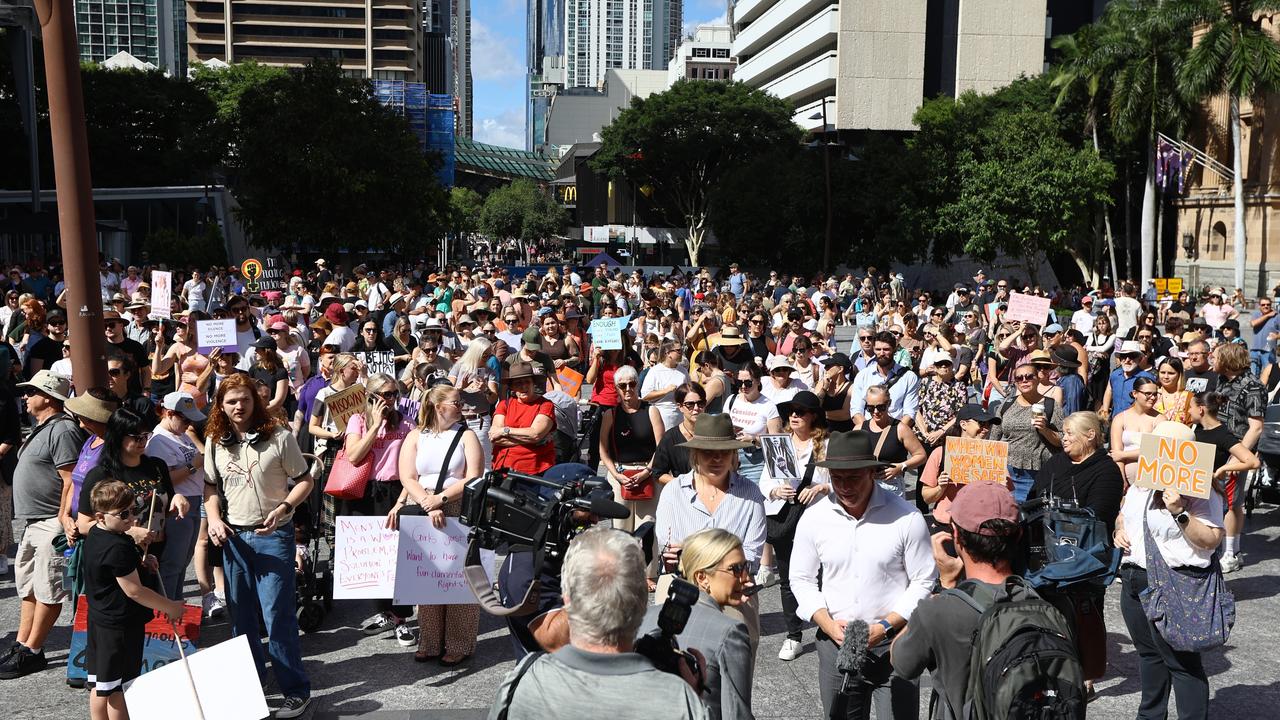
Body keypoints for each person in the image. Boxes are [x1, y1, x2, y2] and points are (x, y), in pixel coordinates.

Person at [489, 527, 708, 720]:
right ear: (643, 602)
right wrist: (693, 700)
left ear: (566, 600)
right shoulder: (677, 698)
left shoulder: (522, 683)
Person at [791, 430, 937, 720]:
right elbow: (801, 579)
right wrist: (827, 623)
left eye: (853, 477)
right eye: (837, 478)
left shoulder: (907, 517)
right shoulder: (814, 518)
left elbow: (924, 580)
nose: (844, 487)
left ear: (872, 472)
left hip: (895, 645)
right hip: (836, 643)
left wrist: (885, 625)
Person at [203, 373, 314, 718]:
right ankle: (253, 685)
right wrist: (215, 519)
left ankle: (295, 690)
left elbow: (305, 479)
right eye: (231, 401)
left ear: (256, 400)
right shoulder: (215, 441)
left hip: (273, 536)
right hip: (234, 537)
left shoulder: (279, 437)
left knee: (276, 614)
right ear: (221, 405)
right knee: (241, 619)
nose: (239, 406)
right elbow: (209, 487)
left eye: (245, 399)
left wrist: (284, 508)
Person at [1113, 422, 1226, 720]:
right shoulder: (1141, 483)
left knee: (1182, 663)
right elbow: (1124, 515)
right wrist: (1119, 529)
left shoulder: (1201, 491)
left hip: (1175, 582)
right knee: (1149, 655)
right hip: (1135, 580)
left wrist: (1180, 512)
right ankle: (1150, 716)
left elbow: (1211, 540)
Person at [890, 483, 1027, 719]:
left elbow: (901, 662)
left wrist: (946, 585)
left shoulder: (938, 610)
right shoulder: (1049, 603)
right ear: (1019, 535)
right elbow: (1094, 668)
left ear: (956, 536)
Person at [656, 414, 767, 648]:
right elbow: (669, 549)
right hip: (681, 585)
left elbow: (752, 556)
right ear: (695, 454)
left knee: (737, 661)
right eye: (708, 452)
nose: (717, 459)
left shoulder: (751, 494)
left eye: (724, 452)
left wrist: (693, 551)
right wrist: (725, 560)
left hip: (735, 590)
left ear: (734, 454)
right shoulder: (673, 492)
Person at [2, 370, 86, 680]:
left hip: (52, 521)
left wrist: (64, 518)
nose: (25, 397)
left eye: (31, 392)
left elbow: (72, 479)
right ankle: (23, 644)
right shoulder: (44, 428)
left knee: (48, 588)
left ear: (48, 397)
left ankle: (34, 651)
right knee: (28, 586)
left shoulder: (62, 429)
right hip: (35, 522)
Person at [81, 480, 185, 720]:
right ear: (99, 516)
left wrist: (141, 563)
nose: (131, 518)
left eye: (134, 509)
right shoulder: (116, 547)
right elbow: (134, 591)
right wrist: (169, 606)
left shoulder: (98, 535)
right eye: (123, 514)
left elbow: (113, 572)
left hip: (101, 622)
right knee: (120, 691)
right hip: (120, 628)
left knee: (101, 685)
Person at [398, 383, 485, 665]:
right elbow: (408, 475)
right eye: (456, 403)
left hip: (458, 506)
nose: (461, 407)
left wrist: (441, 499)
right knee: (428, 575)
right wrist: (427, 501)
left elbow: (474, 475)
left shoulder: (467, 435)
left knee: (458, 576)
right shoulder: (416, 436)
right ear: (438, 407)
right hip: (425, 505)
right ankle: (430, 640)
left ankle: (459, 642)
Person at [637, 528, 754, 720]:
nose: (745, 578)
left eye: (746, 566)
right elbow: (737, 714)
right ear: (702, 577)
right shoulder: (731, 632)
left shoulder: (645, 617)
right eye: (736, 569)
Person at [343, 373, 416, 644]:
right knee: (374, 558)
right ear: (370, 396)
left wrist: (404, 500)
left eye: (394, 394)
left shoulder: (407, 423)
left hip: (395, 490)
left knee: (398, 559)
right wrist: (375, 426)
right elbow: (353, 455)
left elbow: (414, 466)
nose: (390, 399)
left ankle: (401, 618)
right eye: (384, 394)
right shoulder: (358, 420)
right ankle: (383, 611)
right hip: (365, 492)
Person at [761, 391, 830, 662]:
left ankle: (827, 627)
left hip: (817, 519)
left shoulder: (826, 444)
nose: (794, 415)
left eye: (801, 411)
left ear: (813, 415)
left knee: (822, 576)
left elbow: (839, 481)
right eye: (791, 411)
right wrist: (776, 491)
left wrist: (822, 488)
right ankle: (794, 635)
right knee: (788, 580)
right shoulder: (780, 443)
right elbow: (764, 481)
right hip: (785, 518)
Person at [145, 393, 208, 601]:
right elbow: (163, 480)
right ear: (169, 413)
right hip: (177, 503)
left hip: (193, 499)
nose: (188, 424)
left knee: (182, 561)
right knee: (173, 562)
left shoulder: (180, 434)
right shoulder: (158, 440)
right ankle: (167, 612)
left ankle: (176, 606)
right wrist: (193, 466)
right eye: (185, 419)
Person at [1211, 342, 1265, 573]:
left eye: (1215, 357)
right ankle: (1225, 547)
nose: (1211, 360)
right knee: (1218, 498)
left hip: (1237, 450)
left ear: (1227, 359)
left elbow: (1256, 427)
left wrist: (1239, 457)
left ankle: (1231, 553)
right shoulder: (1223, 380)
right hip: (1217, 446)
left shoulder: (1253, 386)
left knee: (1232, 502)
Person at [597, 365, 664, 539]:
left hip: (647, 474)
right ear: (616, 388)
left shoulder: (651, 411)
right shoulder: (610, 415)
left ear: (638, 384)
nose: (628, 389)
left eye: (632, 384)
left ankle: (647, 567)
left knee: (648, 529)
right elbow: (603, 449)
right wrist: (615, 475)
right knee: (620, 531)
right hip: (620, 474)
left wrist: (647, 471)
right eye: (622, 385)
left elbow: (661, 447)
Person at [918, 405, 1013, 524]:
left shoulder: (993, 456)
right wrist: (940, 488)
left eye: (989, 424)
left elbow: (1007, 495)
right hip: (948, 523)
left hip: (982, 524)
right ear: (963, 424)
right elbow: (926, 497)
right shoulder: (940, 453)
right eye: (981, 423)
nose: (986, 428)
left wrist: (1001, 488)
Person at [990, 361, 1063, 503]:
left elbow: (1062, 440)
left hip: (1035, 473)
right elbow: (994, 437)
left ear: (1037, 378)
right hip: (1006, 473)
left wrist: (1045, 430)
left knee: (1028, 519)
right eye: (1019, 378)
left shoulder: (1050, 405)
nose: (1024, 380)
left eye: (1029, 376)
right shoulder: (1007, 404)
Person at [858, 385, 928, 497]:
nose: (875, 412)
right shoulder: (859, 428)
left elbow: (921, 455)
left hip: (891, 487)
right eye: (870, 408)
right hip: (865, 484)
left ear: (889, 403)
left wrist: (901, 467)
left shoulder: (900, 429)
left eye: (880, 407)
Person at [491, 361, 556, 474]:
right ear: (512, 387)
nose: (524, 386)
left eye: (527, 382)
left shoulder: (545, 405)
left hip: (536, 468)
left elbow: (535, 434)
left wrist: (505, 430)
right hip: (504, 467)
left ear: (533, 383)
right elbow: (495, 438)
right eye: (518, 383)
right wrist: (532, 439)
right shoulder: (504, 405)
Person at [723, 363, 782, 485]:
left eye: (748, 383)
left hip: (755, 460)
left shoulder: (768, 406)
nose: (743, 386)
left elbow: (776, 443)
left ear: (758, 381)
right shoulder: (731, 400)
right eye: (740, 383)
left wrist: (753, 439)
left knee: (753, 498)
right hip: (730, 457)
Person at [850, 331, 919, 427]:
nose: (881, 353)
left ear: (894, 349)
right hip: (868, 433)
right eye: (878, 349)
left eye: (886, 349)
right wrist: (869, 432)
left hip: (896, 432)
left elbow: (910, 413)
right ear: (873, 349)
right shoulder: (862, 376)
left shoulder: (909, 377)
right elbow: (856, 411)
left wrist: (891, 434)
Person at [1108, 376, 1163, 483]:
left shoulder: (1160, 420)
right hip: (1126, 479)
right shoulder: (1120, 418)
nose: (1152, 397)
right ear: (1135, 394)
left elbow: (1157, 451)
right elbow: (1116, 453)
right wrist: (1121, 479)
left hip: (1151, 479)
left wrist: (1124, 454)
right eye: (1148, 393)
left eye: (1155, 394)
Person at [653, 383, 708, 486]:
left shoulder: (714, 433)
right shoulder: (670, 438)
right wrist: (682, 484)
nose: (696, 408)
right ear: (680, 407)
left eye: (700, 403)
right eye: (690, 404)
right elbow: (658, 473)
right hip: (684, 496)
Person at [642, 340, 690, 430]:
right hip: (661, 417)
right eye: (678, 350)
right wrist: (665, 391)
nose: (681, 353)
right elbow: (645, 396)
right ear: (668, 353)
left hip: (680, 417)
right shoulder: (655, 371)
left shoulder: (683, 371)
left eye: (681, 349)